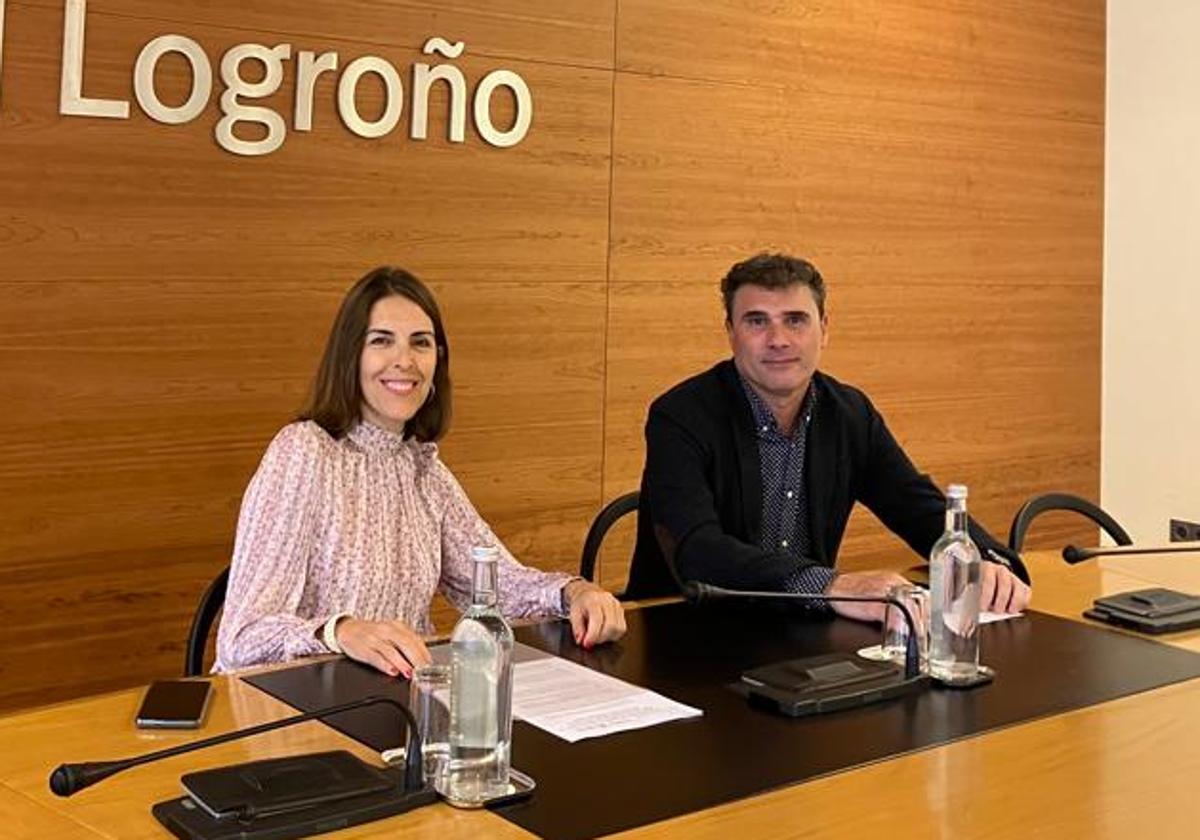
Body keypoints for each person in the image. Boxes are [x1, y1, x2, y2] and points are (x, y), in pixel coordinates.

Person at [216, 266, 625, 676]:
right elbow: (242, 639)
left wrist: (574, 592)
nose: (405, 361)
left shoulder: (423, 467)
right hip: (296, 712)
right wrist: (340, 632)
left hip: (397, 706)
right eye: (381, 341)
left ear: (437, 362)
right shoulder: (304, 451)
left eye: (421, 343)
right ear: (350, 356)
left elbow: (495, 586)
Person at [625, 253, 1031, 621]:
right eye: (757, 321)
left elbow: (916, 506)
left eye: (796, 320)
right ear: (730, 332)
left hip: (802, 634)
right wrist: (830, 586)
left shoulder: (849, 413)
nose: (779, 340)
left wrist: (984, 562)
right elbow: (698, 551)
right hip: (688, 634)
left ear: (825, 328)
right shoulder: (680, 416)